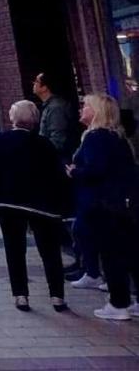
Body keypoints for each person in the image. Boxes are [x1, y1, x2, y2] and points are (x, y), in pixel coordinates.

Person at [0, 100, 70, 312]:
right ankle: (57, 296)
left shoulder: (0, 140)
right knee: (50, 250)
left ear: (13, 118)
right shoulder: (44, 144)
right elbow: (56, 176)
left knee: (14, 249)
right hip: (41, 205)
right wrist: (61, 204)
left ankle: (21, 295)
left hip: (9, 204)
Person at [68, 94, 139, 321]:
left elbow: (95, 170)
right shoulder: (118, 138)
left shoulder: (96, 138)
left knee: (112, 255)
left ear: (97, 111)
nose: (82, 108)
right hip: (122, 205)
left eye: (86, 105)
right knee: (129, 253)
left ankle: (119, 304)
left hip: (102, 206)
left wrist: (74, 172)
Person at [34, 73, 76, 162]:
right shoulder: (50, 106)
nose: (33, 84)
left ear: (45, 87)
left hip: (58, 159)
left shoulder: (55, 108)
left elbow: (58, 139)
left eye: (37, 81)